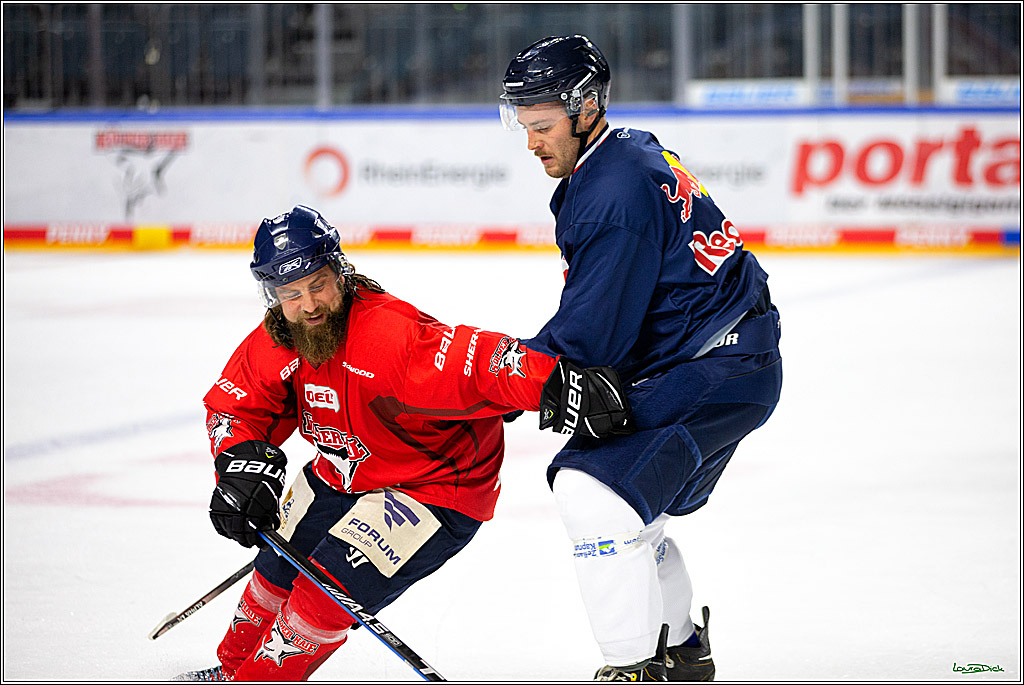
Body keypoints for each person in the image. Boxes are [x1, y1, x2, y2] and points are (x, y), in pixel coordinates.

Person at [174, 205, 632, 682]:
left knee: (321, 595)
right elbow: (237, 406)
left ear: (341, 271)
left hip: (432, 486)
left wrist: (555, 382)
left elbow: (484, 362)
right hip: (345, 470)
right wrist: (238, 464)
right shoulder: (282, 337)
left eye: (318, 284)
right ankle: (230, 671)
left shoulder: (390, 338)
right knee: (274, 568)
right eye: (290, 293)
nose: (308, 304)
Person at [498, 35, 783, 681]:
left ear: (586, 106)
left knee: (591, 490)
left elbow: (590, 340)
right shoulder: (626, 150)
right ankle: (682, 650)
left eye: (542, 126)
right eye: (525, 126)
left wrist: (491, 381)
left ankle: (632, 666)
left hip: (717, 364)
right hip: (729, 354)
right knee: (628, 504)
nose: (531, 141)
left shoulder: (613, 195)